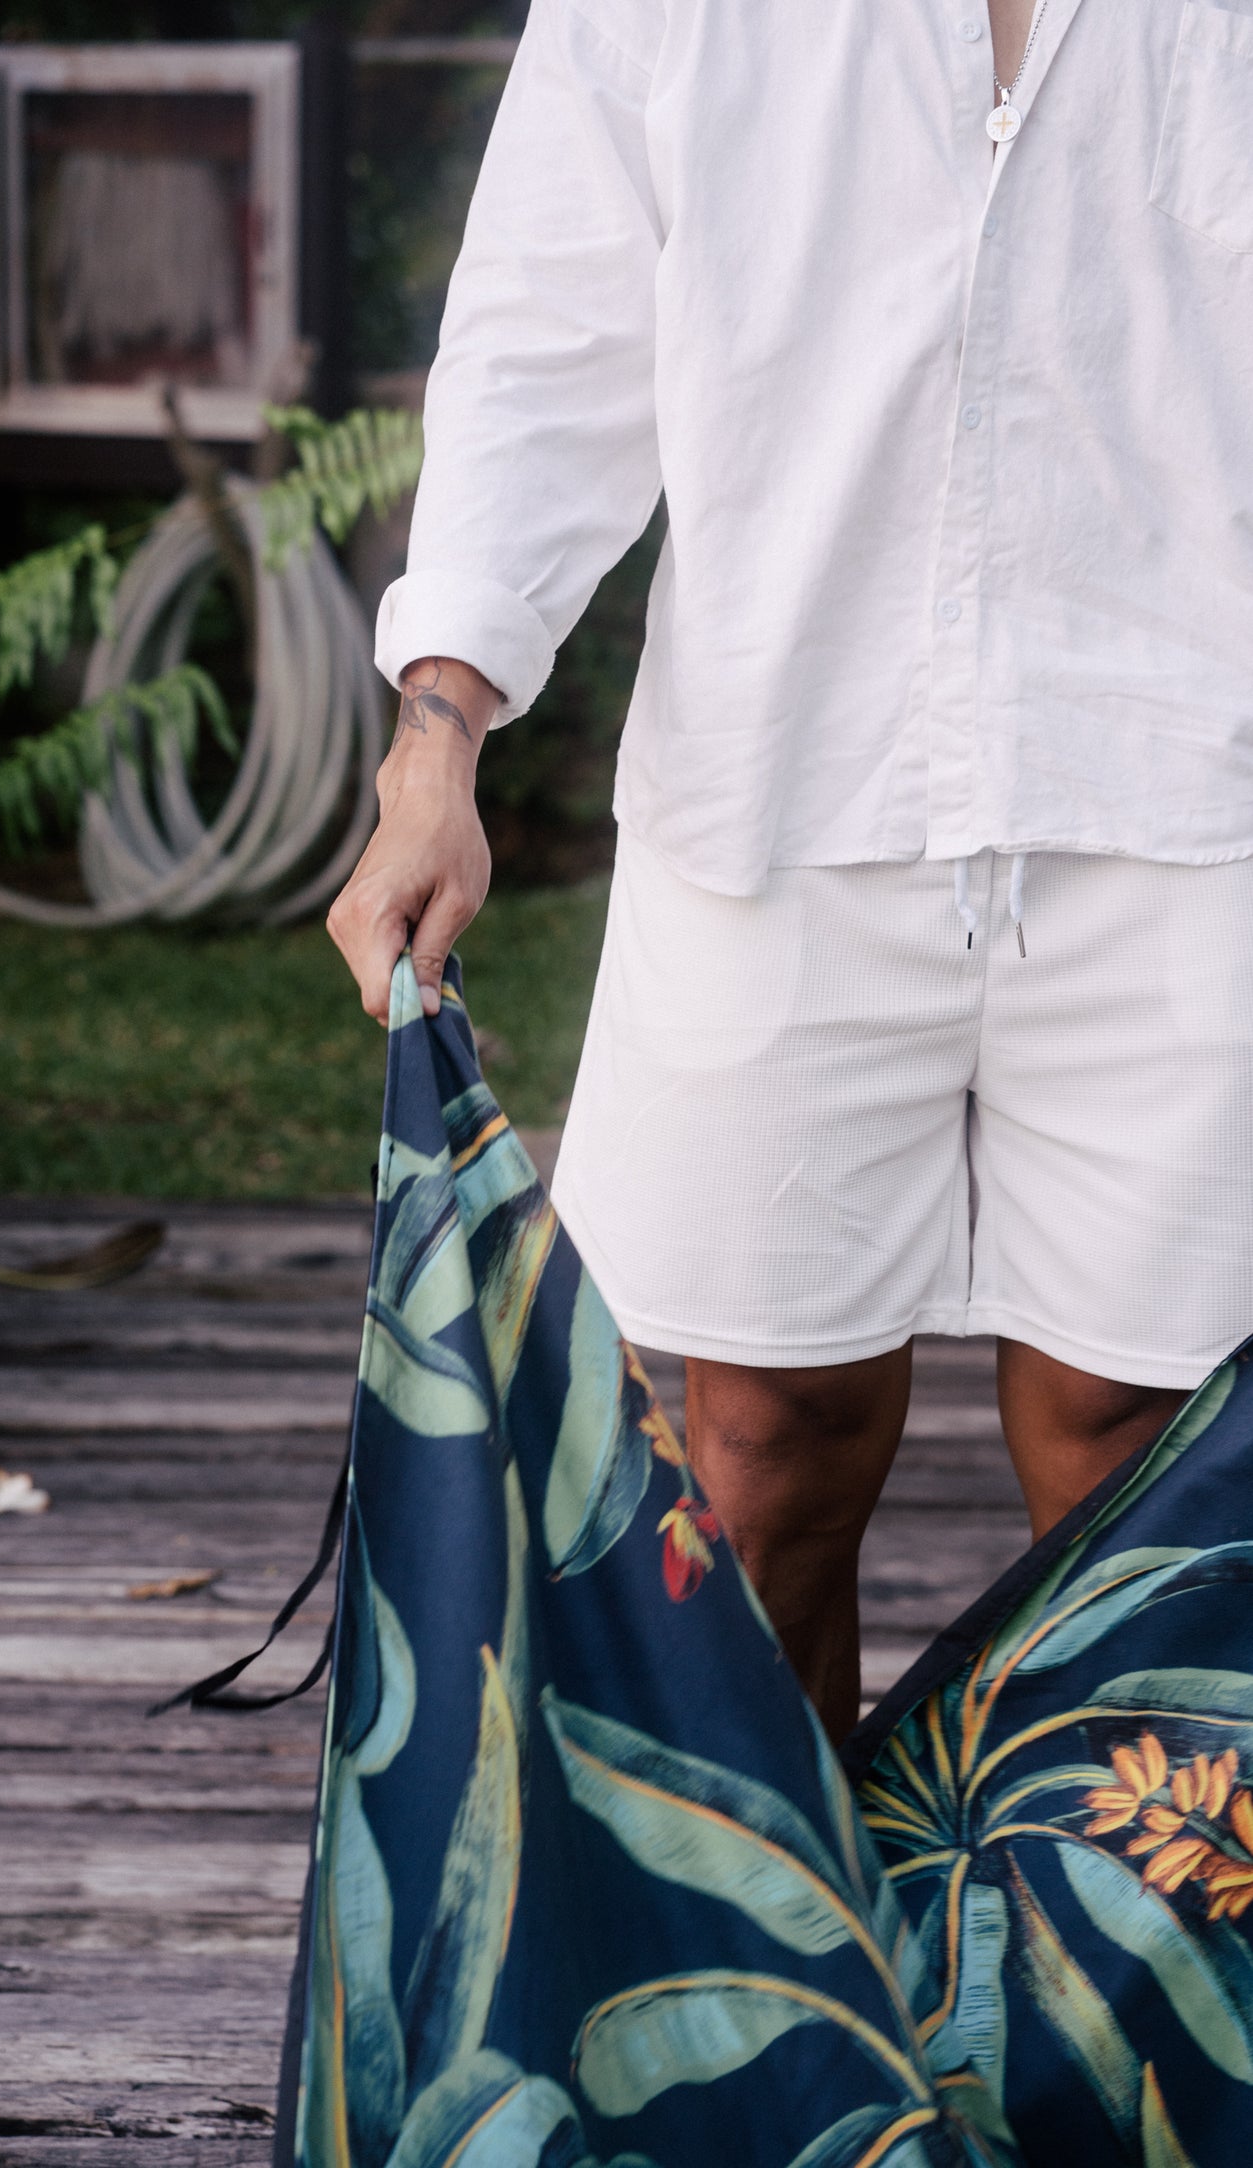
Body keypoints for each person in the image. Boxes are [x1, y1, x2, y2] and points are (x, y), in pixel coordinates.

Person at [326, 0, 1253, 1737]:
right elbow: (544, 342)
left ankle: (1085, 1923)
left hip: (1186, 792)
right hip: (773, 784)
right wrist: (435, 741)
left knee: (1149, 1461)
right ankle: (791, 1913)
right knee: (760, 1446)